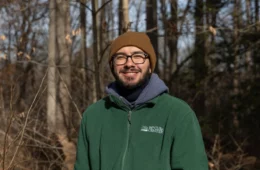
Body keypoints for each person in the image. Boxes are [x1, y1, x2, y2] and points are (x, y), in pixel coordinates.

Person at [74, 31, 208, 170]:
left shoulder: (178, 114)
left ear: (150, 65)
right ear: (113, 65)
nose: (129, 63)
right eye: (121, 57)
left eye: (138, 56)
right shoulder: (93, 116)